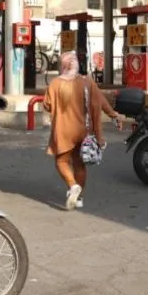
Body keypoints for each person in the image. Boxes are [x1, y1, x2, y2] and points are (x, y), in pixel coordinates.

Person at [44, 51, 114, 211]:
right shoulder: (86, 82)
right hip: (83, 130)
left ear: (63, 65)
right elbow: (100, 101)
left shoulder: (55, 84)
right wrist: (113, 114)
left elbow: (47, 105)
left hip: (63, 130)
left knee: (61, 162)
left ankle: (73, 185)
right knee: (79, 164)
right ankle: (79, 198)